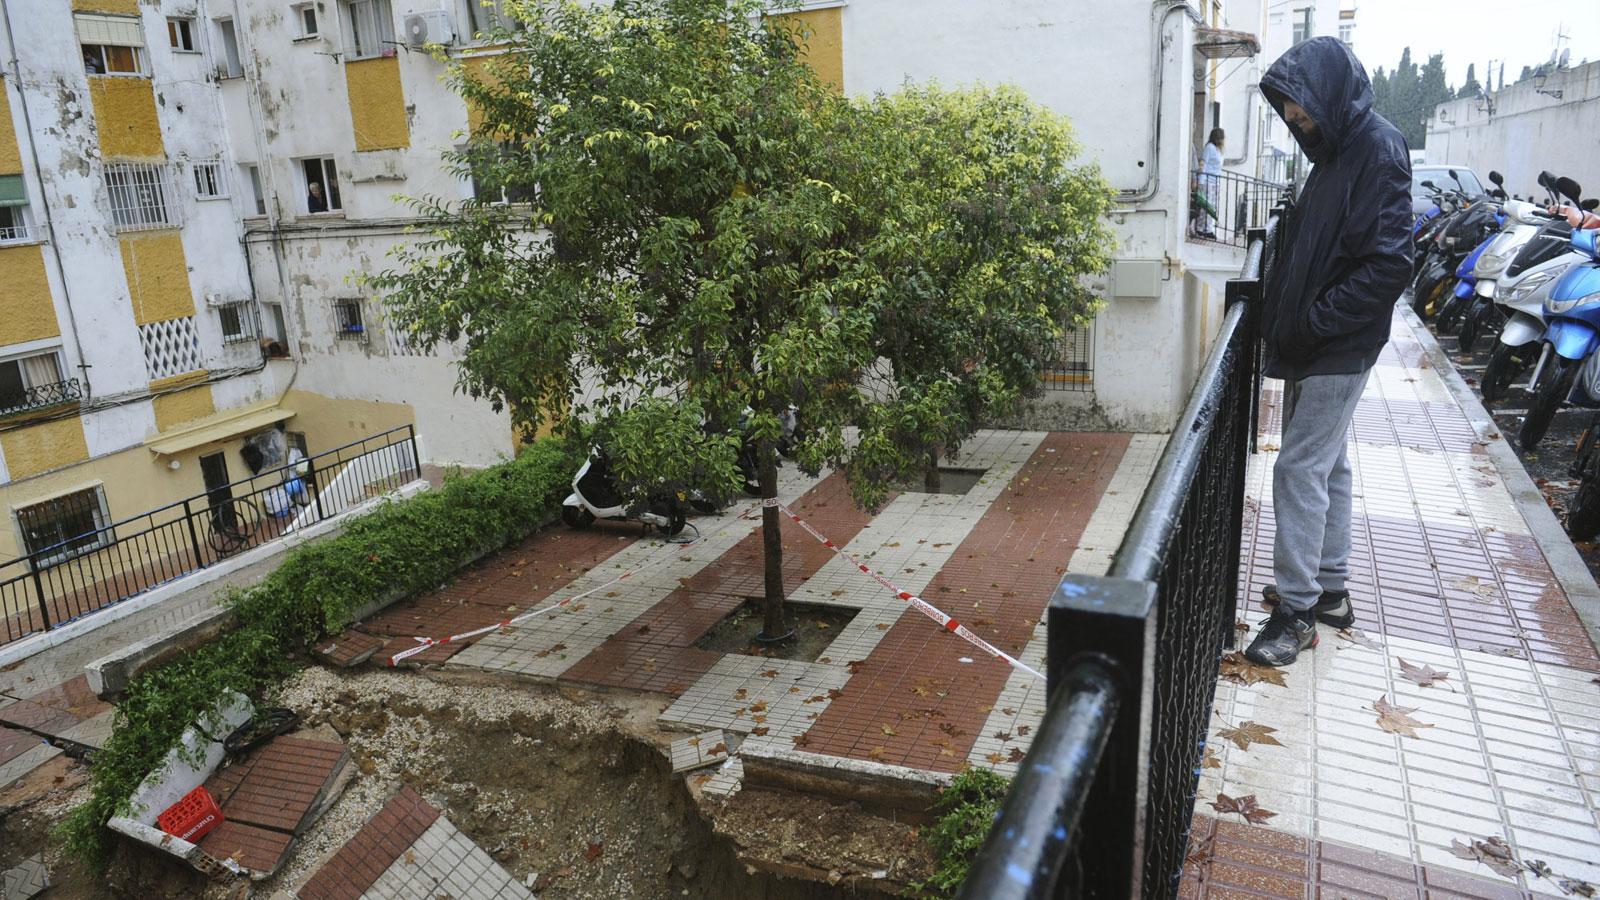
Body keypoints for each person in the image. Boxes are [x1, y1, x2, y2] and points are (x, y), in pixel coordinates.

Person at [1247, 36, 1413, 667]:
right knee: (1327, 464)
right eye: (1289, 113)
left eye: (1301, 110)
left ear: (1328, 95)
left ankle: (1296, 612)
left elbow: (1389, 263)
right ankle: (1330, 592)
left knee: (1298, 468)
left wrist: (1314, 323)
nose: (1295, 122)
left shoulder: (1377, 148)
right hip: (1319, 340)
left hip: (1337, 344)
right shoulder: (1337, 149)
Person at [1199, 128, 1224, 238]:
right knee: (1206, 206)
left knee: (1212, 207)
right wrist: (1201, 180)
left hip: (1215, 182)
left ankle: (1208, 228)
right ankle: (1201, 228)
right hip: (1207, 181)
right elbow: (1203, 163)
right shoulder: (1209, 148)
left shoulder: (1218, 150)